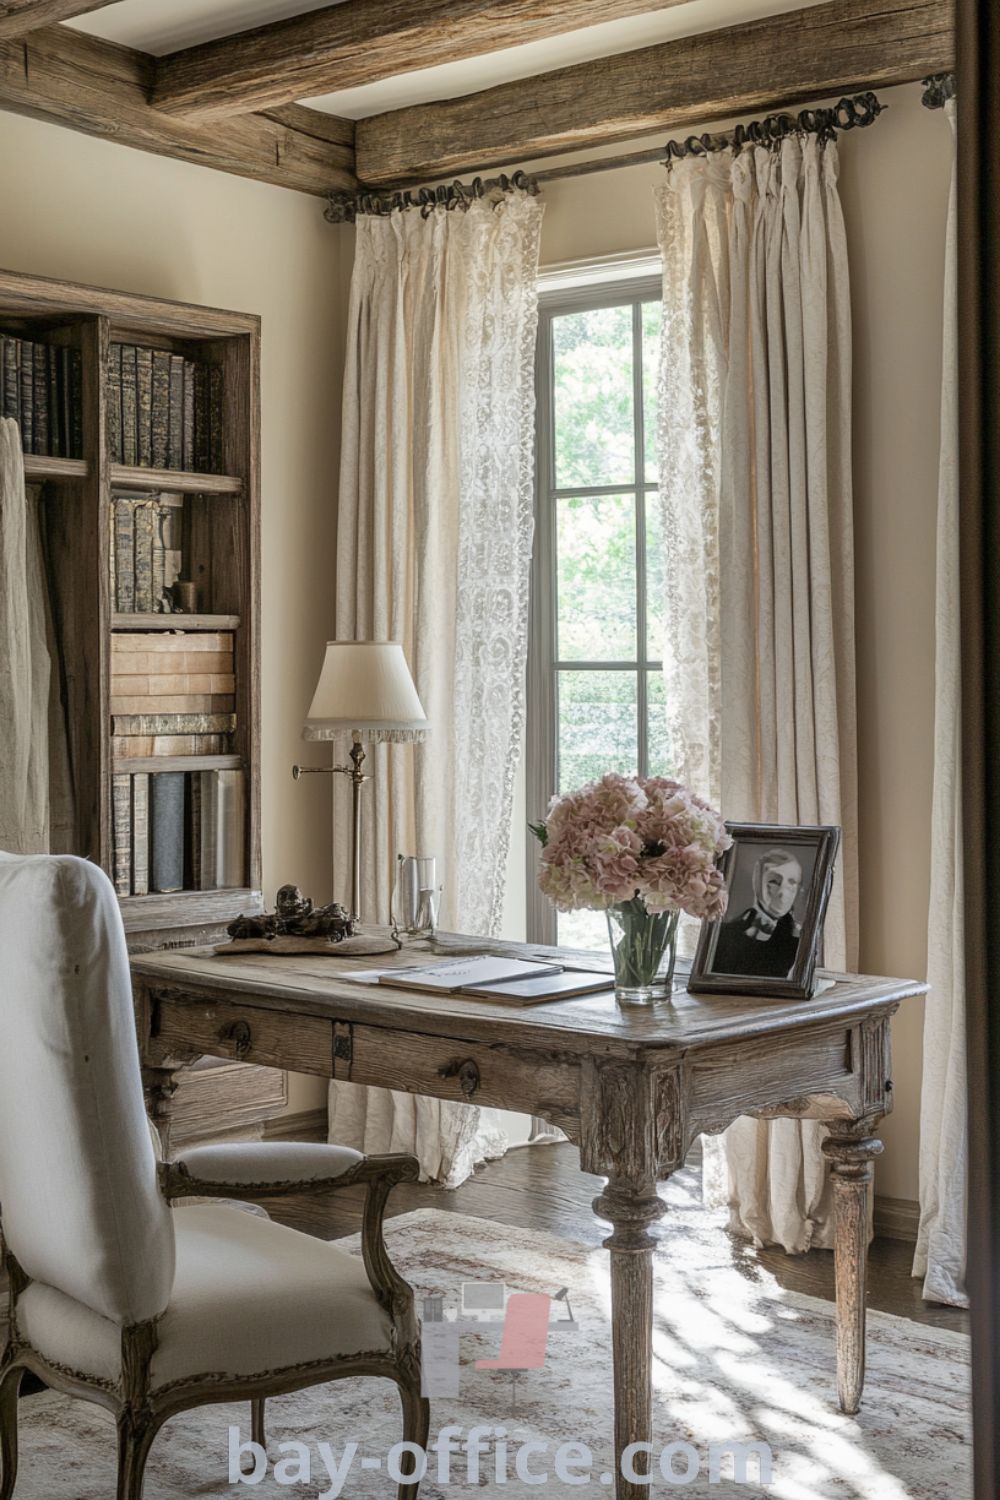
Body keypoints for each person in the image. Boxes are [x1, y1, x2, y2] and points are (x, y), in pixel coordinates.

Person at [712, 847, 803, 979]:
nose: (783, 893)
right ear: (757, 883)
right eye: (773, 882)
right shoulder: (724, 932)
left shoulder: (799, 939)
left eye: (792, 883)